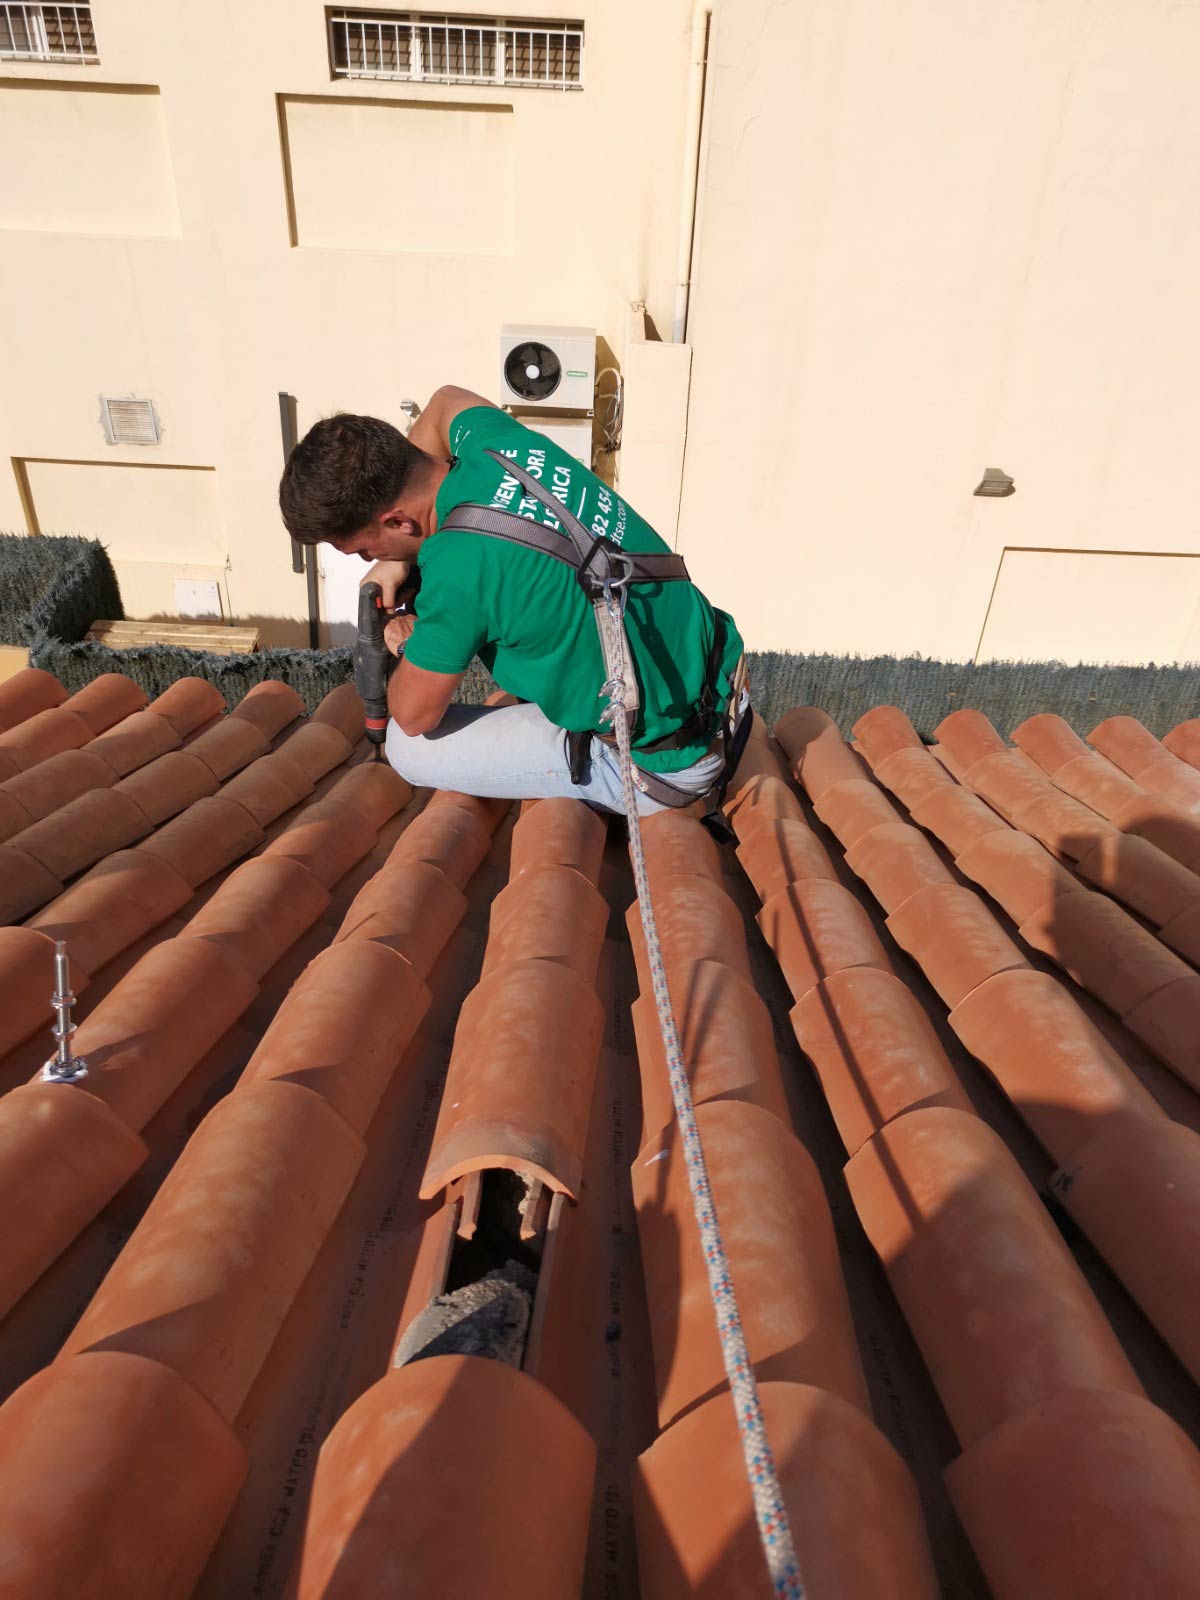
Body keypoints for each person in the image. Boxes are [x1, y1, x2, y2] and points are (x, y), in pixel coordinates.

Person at [279, 385, 747, 816]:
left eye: (366, 550)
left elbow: (414, 714)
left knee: (406, 748)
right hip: (723, 691)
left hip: (666, 766)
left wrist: (406, 642)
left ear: (400, 521)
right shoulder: (491, 442)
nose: (371, 560)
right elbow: (443, 402)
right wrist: (396, 564)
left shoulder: (458, 570)